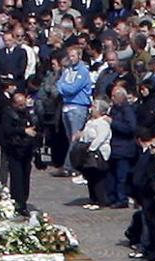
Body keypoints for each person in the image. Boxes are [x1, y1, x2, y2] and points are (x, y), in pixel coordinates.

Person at [0, 87, 37, 215]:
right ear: (14, 104)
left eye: (24, 104)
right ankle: (18, 203)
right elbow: (7, 130)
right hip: (13, 149)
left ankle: (23, 201)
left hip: (26, 149)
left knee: (25, 177)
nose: (23, 107)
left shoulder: (28, 113)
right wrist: (23, 131)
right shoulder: (8, 114)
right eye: (20, 105)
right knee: (17, 178)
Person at [55, 44, 92, 176]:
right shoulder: (67, 70)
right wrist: (64, 87)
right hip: (66, 106)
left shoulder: (83, 71)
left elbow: (73, 88)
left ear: (79, 56)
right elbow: (59, 84)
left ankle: (69, 166)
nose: (70, 58)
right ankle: (73, 165)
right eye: (69, 56)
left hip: (78, 107)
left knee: (75, 138)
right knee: (69, 138)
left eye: (73, 56)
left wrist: (64, 87)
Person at [76, 99, 111, 209]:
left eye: (95, 107)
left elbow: (101, 137)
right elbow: (85, 134)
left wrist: (92, 148)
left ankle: (100, 201)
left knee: (98, 177)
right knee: (90, 176)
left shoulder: (102, 123)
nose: (92, 109)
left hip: (98, 151)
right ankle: (92, 199)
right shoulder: (90, 122)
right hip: (87, 150)